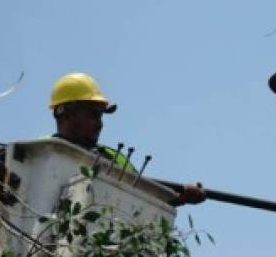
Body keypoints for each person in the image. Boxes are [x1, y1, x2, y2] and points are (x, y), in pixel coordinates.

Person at [49, 73, 205, 206]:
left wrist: (180, 198)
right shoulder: (41, 153)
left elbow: (142, 199)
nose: (99, 124)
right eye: (93, 115)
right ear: (65, 113)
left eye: (100, 117)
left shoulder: (113, 158)